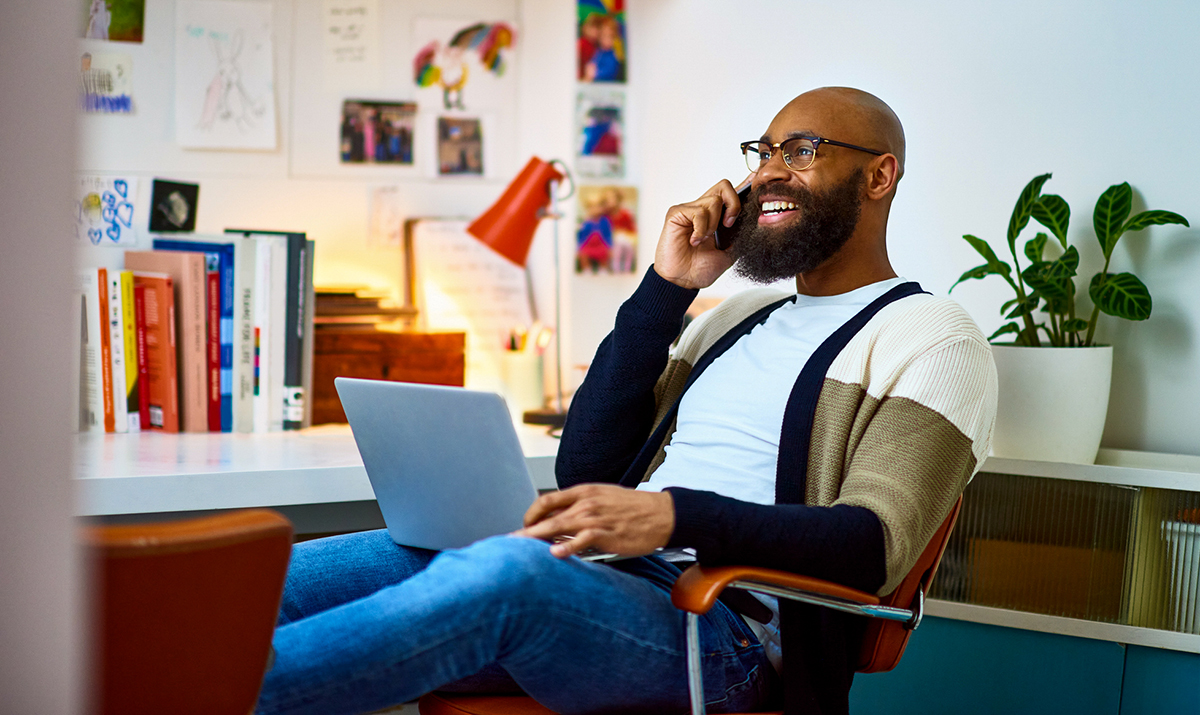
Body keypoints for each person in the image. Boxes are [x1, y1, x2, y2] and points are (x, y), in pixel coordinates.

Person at [254, 87, 997, 715]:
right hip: (600, 579)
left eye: (800, 151)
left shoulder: (932, 338)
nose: (768, 173)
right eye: (762, 152)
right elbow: (588, 464)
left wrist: (673, 515)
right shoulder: (731, 319)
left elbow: (870, 544)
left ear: (879, 177)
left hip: (720, 629)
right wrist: (667, 287)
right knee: (272, 578)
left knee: (506, 577)